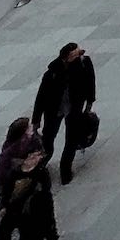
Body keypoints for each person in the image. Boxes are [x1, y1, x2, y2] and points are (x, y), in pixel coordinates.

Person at [30, 42, 96, 183]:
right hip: (54, 110)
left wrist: (89, 102)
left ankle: (65, 171)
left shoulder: (84, 63)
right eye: (73, 56)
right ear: (65, 58)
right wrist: (36, 120)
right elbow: (41, 97)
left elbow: (91, 82)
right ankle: (40, 167)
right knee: (48, 138)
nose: (77, 57)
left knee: (71, 140)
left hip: (74, 107)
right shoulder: (52, 72)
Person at [0, 117, 43, 240]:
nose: (31, 129)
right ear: (22, 134)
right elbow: (2, 173)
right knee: (4, 206)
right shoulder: (9, 152)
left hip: (28, 181)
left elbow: (40, 153)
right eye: (28, 128)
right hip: (11, 184)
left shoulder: (33, 141)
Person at [0, 148, 58, 240]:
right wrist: (4, 206)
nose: (35, 159)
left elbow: (47, 206)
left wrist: (51, 233)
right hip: (13, 213)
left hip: (33, 219)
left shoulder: (42, 174)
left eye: (38, 156)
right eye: (32, 156)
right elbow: (5, 194)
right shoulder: (14, 174)